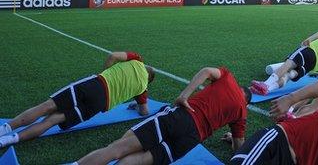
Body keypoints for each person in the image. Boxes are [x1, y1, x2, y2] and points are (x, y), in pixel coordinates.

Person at [76, 67, 252, 165]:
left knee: (116, 148)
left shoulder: (228, 78)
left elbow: (206, 71)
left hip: (181, 116)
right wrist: (232, 139)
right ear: (246, 102)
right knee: (140, 160)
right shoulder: (241, 112)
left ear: (240, 88)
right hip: (191, 138)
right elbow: (239, 149)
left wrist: (184, 95)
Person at [0, 52, 154, 148]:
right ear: (148, 80)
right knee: (51, 121)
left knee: (46, 107)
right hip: (99, 104)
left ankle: (4, 129)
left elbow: (113, 56)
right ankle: (7, 140)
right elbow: (144, 111)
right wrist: (136, 104)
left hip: (95, 84)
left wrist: (104, 73)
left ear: (146, 67)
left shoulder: (137, 59)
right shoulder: (143, 89)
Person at [250, 30, 318, 95]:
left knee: (287, 65)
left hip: (309, 52)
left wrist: (309, 39)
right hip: (310, 66)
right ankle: (269, 89)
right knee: (288, 75)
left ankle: (266, 84)